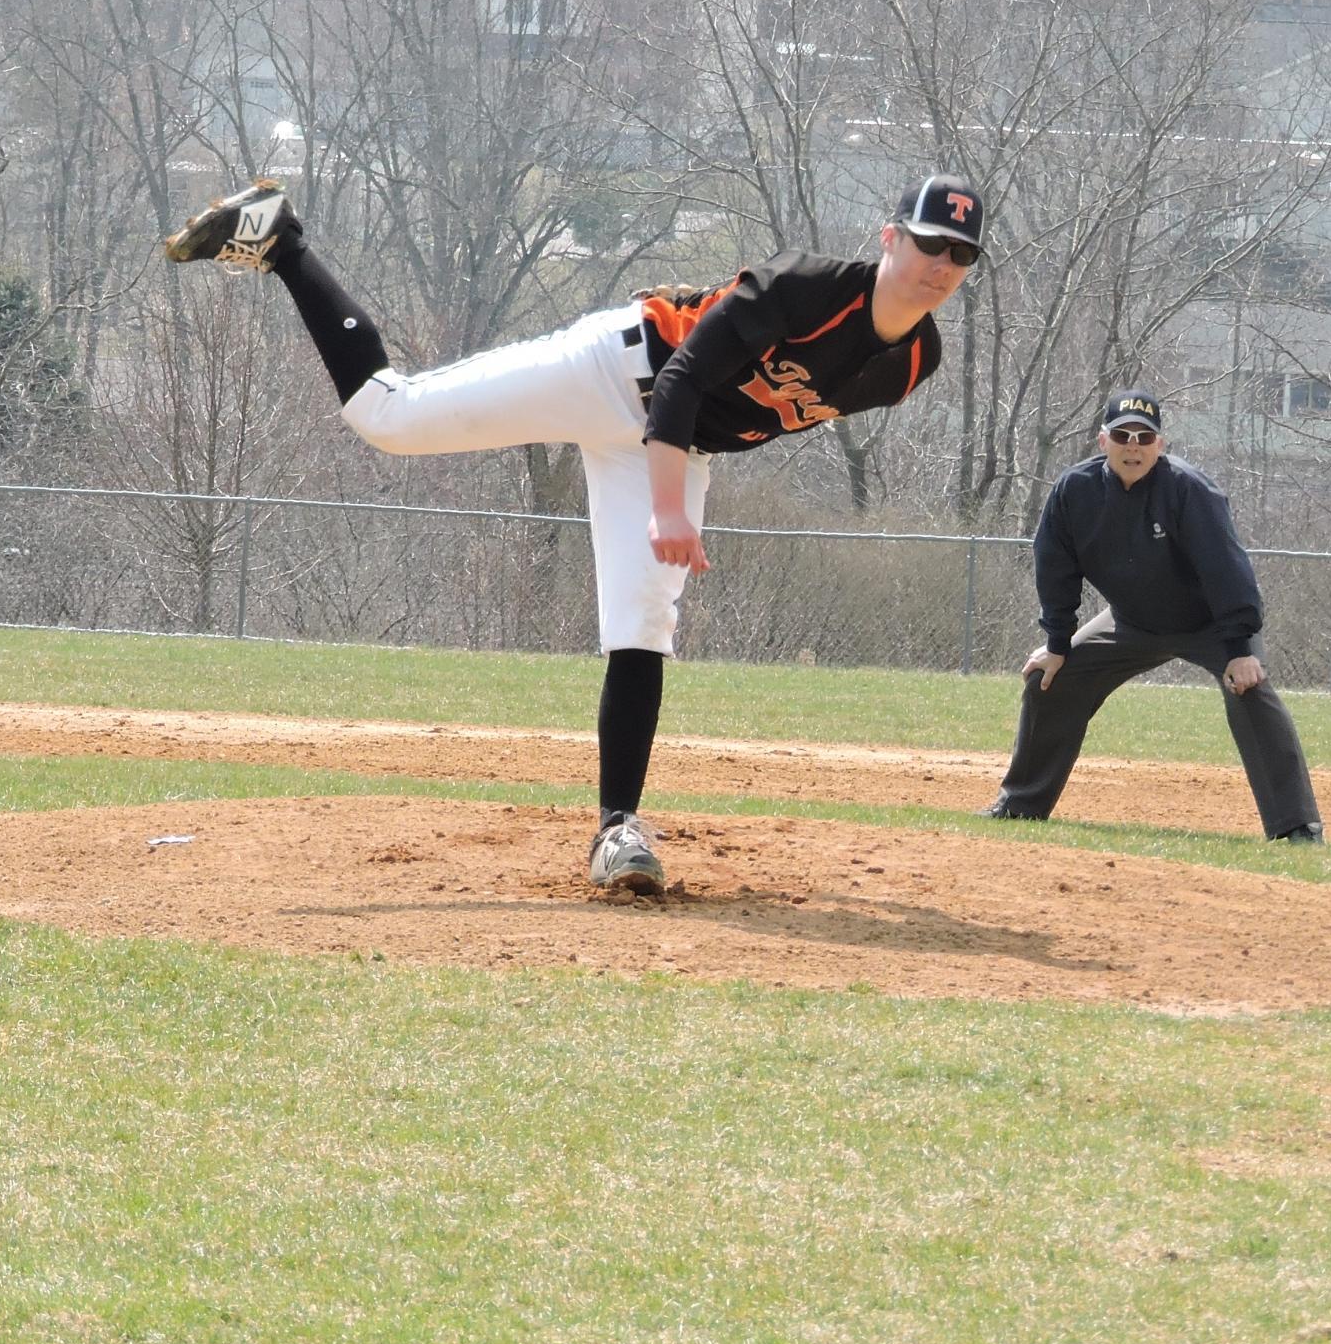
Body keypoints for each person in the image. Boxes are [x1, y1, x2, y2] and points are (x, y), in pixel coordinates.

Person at [166, 173, 984, 891]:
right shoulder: (803, 287)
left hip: (673, 443)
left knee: (642, 620)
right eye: (927, 243)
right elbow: (684, 378)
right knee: (390, 415)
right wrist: (669, 510)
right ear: (888, 237)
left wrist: (673, 487)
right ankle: (281, 243)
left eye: (959, 255)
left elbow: (735, 416)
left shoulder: (914, 361)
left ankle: (617, 828)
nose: (940, 266)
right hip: (617, 371)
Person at [984, 390, 1323, 839]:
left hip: (1209, 625)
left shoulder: (1190, 490)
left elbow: (1227, 570)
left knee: (1251, 691)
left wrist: (1240, 649)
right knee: (1049, 680)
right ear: (1103, 441)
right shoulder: (1075, 491)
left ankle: (1296, 827)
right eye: (1122, 434)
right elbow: (1055, 568)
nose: (1134, 445)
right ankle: (1021, 806)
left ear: (1160, 445)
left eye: (1145, 437)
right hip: (1131, 622)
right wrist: (1057, 644)